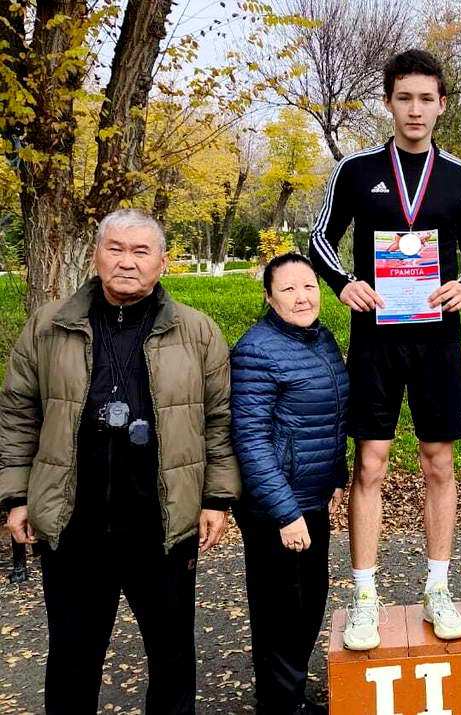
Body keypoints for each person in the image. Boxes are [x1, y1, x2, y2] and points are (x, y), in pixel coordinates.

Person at [0, 209, 240, 714]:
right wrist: (17, 496)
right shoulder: (49, 326)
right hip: (74, 522)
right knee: (72, 656)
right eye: (115, 249)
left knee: (172, 654)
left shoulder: (197, 332)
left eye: (140, 251)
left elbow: (219, 420)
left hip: (163, 522)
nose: (126, 262)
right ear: (96, 255)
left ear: (162, 263)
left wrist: (217, 499)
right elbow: (18, 414)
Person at [309, 49, 461, 650]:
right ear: (388, 102)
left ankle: (438, 588)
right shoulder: (356, 171)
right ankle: (365, 596)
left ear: (442, 105)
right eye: (404, 98)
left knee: (439, 463)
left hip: (437, 341)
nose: (415, 109)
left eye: (426, 99)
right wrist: (344, 283)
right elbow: (320, 237)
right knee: (371, 464)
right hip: (375, 340)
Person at [230, 253, 349, 714]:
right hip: (276, 507)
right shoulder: (256, 350)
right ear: (269, 297)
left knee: (310, 600)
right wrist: (285, 513)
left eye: (309, 287)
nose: (302, 298)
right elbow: (251, 439)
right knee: (279, 610)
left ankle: (290, 693)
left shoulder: (321, 339)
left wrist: (335, 476)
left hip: (311, 496)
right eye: (288, 289)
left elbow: (330, 416)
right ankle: (280, 703)